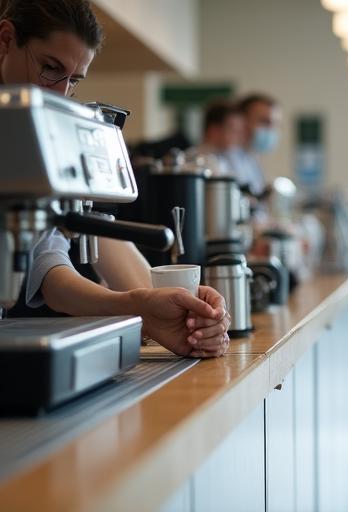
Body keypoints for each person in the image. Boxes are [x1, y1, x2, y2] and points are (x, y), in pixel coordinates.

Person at [0, 0, 230, 358]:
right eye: (50, 68)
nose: (61, 93)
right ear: (5, 40)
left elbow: (47, 268)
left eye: (73, 80)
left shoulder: (28, 134)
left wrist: (142, 306)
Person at [235, 93, 281, 197]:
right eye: (265, 122)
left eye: (276, 124)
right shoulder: (224, 159)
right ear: (241, 121)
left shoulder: (252, 158)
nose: (271, 129)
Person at [193, 100, 246, 176]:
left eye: (239, 131)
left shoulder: (227, 159)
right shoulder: (193, 163)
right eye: (233, 130)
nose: (239, 136)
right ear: (214, 130)